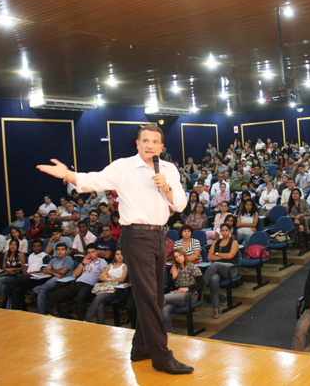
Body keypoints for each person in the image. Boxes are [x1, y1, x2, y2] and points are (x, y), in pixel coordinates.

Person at [36, 125, 193, 374]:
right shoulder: (124, 166)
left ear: (162, 146)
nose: (150, 145)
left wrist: (167, 188)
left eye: (155, 141)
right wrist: (68, 174)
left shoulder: (169, 169)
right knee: (148, 297)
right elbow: (92, 181)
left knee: (156, 296)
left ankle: (140, 347)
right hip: (137, 236)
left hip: (160, 235)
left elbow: (181, 205)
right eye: (145, 141)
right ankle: (161, 356)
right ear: (138, 144)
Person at [161, 248, 203, 333]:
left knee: (163, 298)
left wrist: (187, 288)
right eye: (176, 257)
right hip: (177, 295)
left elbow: (201, 282)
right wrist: (173, 278)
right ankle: (169, 334)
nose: (178, 258)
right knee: (164, 310)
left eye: (180, 255)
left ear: (184, 255)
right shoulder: (175, 268)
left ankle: (151, 323)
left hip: (189, 294)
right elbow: (169, 285)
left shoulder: (191, 266)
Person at [27, 242, 75, 314]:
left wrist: (52, 271)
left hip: (64, 282)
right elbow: (45, 270)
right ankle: (41, 314)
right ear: (56, 251)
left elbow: (63, 272)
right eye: (58, 250)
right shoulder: (54, 260)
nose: (60, 251)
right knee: (41, 293)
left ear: (66, 251)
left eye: (62, 249)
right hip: (52, 283)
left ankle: (36, 289)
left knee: (53, 280)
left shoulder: (68, 259)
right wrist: (54, 273)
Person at [204, 223, 239, 319]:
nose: (224, 233)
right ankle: (216, 307)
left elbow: (230, 256)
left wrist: (218, 254)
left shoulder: (234, 242)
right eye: (222, 231)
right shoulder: (216, 242)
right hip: (218, 270)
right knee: (213, 279)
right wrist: (223, 255)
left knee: (215, 264)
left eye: (226, 230)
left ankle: (200, 289)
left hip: (230, 269)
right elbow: (209, 256)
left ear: (230, 231)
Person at [84, 249, 128, 324]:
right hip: (105, 287)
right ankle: (101, 324)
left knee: (98, 298)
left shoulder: (125, 266)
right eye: (117, 254)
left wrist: (108, 279)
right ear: (115, 256)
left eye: (121, 254)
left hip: (116, 289)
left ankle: (87, 319)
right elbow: (100, 277)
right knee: (100, 304)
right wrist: (106, 278)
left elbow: (122, 279)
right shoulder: (111, 265)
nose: (119, 256)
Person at [0, 239, 25, 307]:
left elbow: (23, 268)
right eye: (11, 244)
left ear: (17, 246)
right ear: (9, 245)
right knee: (3, 286)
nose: (13, 246)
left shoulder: (20, 254)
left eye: (15, 245)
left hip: (16, 276)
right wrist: (6, 270)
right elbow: (4, 267)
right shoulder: (6, 253)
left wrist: (12, 269)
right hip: (7, 275)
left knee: (1, 280)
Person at [288, 188, 310, 254]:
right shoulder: (290, 203)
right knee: (300, 227)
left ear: (299, 195)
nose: (295, 195)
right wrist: (294, 217)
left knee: (298, 220)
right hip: (296, 221)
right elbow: (288, 214)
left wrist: (299, 215)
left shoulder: (303, 201)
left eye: (297, 193)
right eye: (293, 193)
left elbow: (309, 212)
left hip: (306, 219)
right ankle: (302, 248)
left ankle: (293, 237)